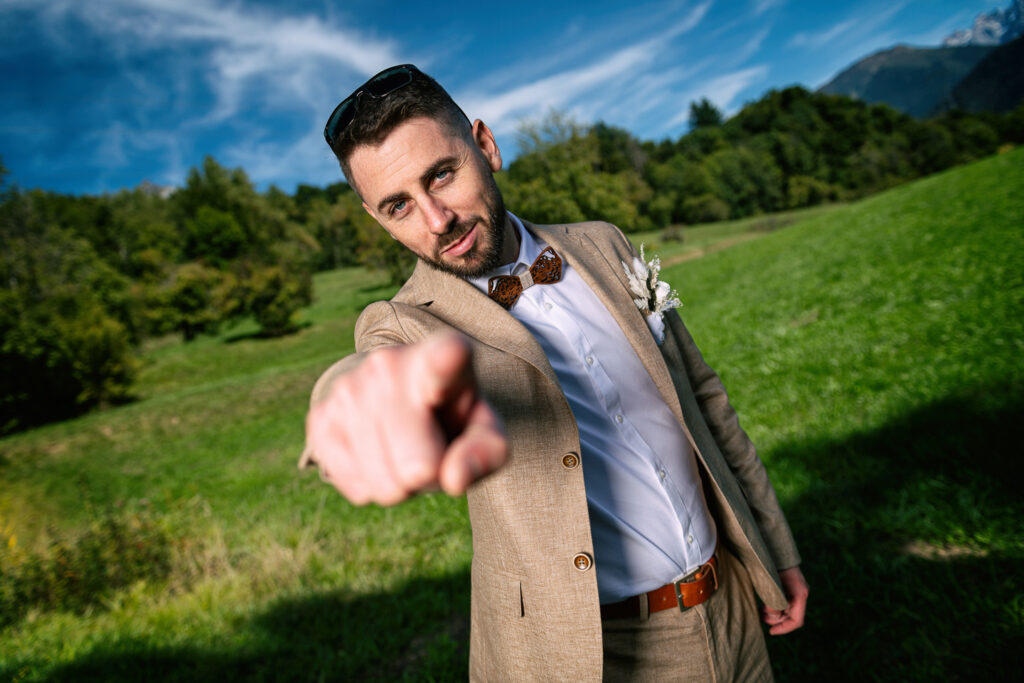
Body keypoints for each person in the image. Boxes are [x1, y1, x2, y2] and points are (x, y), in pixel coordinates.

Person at [301, 64, 808, 681]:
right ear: (376, 217)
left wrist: (775, 551)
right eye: (399, 205)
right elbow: (367, 376)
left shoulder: (604, 245)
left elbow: (705, 400)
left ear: (485, 146)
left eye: (441, 175)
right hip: (598, 653)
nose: (437, 221)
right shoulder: (405, 324)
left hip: (731, 606)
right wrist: (352, 407)